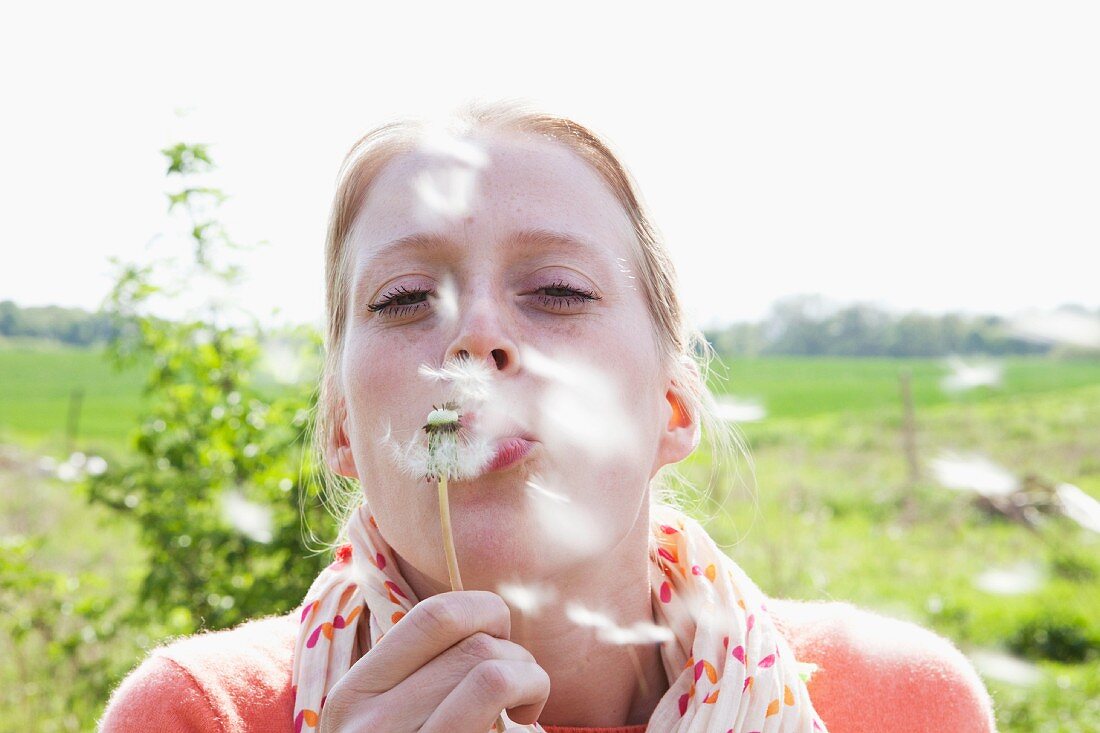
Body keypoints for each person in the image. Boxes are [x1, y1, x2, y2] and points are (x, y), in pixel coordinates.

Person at [98, 99, 998, 733]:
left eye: (559, 291)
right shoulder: (194, 714)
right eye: (407, 298)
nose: (474, 335)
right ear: (340, 426)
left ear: (671, 407)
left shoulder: (901, 704)